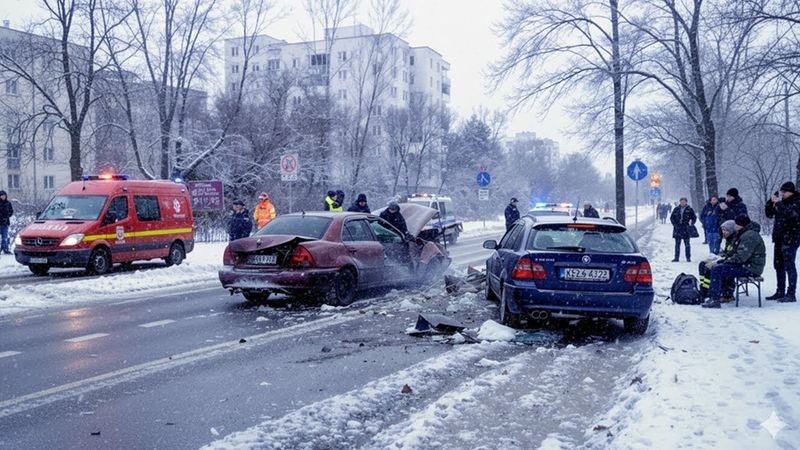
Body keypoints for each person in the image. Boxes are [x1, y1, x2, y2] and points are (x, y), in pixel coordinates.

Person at [701, 215, 766, 308]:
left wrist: (723, 261)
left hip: (751, 268)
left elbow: (741, 257)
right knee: (715, 266)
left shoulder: (750, 236)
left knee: (717, 269)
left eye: (736, 224)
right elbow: (733, 252)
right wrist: (721, 259)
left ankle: (715, 299)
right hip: (746, 265)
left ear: (741, 225)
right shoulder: (743, 233)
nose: (734, 226)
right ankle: (711, 294)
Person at [765, 181, 800, 302]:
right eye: (782, 192)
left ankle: (791, 293)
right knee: (778, 265)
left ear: (791, 192)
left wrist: (778, 204)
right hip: (779, 238)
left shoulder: (797, 201)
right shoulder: (782, 203)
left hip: (791, 238)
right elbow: (769, 214)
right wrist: (770, 203)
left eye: (784, 192)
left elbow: (792, 215)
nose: (782, 194)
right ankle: (780, 291)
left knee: (789, 265)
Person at [698, 220, 737, 301]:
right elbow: (725, 253)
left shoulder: (735, 240)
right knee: (702, 264)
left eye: (726, 230)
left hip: (732, 263)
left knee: (714, 267)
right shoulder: (727, 239)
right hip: (726, 260)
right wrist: (715, 257)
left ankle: (725, 293)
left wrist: (717, 261)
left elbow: (732, 255)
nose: (724, 232)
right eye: (723, 230)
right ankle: (704, 289)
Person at [670, 197, 697, 262]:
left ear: (686, 202)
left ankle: (688, 257)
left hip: (686, 229)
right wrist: (675, 224)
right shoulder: (676, 209)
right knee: (677, 244)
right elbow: (672, 218)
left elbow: (694, 218)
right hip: (678, 229)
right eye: (681, 202)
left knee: (687, 244)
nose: (682, 203)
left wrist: (691, 223)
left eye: (684, 202)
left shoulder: (689, 209)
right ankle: (676, 257)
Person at [0, 190, 13, 255]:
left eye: (4, 195)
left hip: (5, 223)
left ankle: (5, 249)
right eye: (2, 196)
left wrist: (7, 216)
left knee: (5, 237)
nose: (3, 197)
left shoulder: (8, 203)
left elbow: (11, 211)